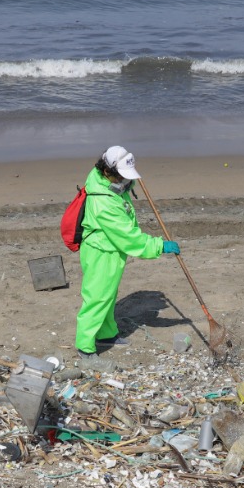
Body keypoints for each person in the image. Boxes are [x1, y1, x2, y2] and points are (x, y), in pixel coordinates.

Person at [74, 146, 180, 369]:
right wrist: (159, 245)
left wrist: (126, 183)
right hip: (101, 251)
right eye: (122, 175)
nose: (125, 180)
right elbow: (129, 238)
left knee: (108, 296)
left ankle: (106, 334)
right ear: (107, 171)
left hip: (110, 249)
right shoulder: (103, 201)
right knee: (96, 298)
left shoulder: (109, 183)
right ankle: (85, 348)